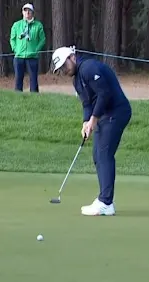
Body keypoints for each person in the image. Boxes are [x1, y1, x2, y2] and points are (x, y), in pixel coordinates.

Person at [51, 46, 132, 216]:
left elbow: (104, 94)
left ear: (72, 57)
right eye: (61, 69)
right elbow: (87, 103)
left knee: (104, 154)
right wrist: (86, 122)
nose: (64, 70)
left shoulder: (88, 68)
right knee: (97, 155)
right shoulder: (76, 80)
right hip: (105, 114)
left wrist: (94, 119)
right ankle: (104, 198)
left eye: (65, 65)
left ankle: (106, 202)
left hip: (117, 111)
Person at [9, 3, 46, 92]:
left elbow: (42, 40)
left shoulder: (38, 25)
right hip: (19, 56)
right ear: (22, 12)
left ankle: (34, 97)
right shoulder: (16, 25)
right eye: (25, 10)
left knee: (33, 79)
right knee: (18, 78)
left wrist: (36, 50)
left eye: (29, 11)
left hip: (32, 57)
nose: (27, 12)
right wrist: (15, 49)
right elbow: (12, 39)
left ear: (32, 13)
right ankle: (18, 96)